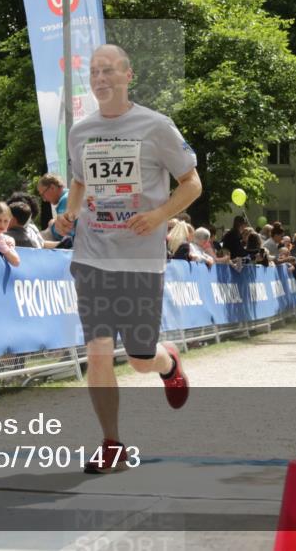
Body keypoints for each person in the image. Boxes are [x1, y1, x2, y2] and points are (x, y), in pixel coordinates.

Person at [54, 44, 201, 474]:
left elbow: (191, 184)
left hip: (140, 261)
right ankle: (111, 443)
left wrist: (157, 215)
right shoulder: (81, 131)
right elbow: (79, 182)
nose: (100, 79)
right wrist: (71, 212)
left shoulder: (156, 126)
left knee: (139, 360)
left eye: (109, 71)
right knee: (98, 351)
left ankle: (167, 361)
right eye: (94, 72)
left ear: (127, 75)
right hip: (92, 256)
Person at [37, 173, 72, 241]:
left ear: (52, 187)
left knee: (38, 240)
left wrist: (52, 225)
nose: (44, 199)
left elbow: (61, 233)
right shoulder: (69, 194)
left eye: (43, 194)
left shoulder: (64, 200)